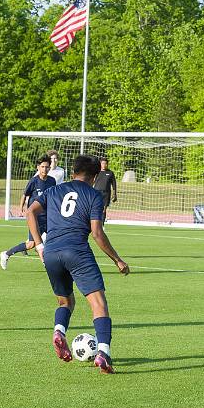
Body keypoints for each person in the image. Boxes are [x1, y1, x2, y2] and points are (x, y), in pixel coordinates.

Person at [26, 155, 129, 374]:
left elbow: (30, 212)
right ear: (94, 177)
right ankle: (103, 353)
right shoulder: (93, 195)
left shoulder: (54, 191)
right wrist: (117, 260)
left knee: (65, 302)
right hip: (77, 251)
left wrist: (38, 245)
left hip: (51, 252)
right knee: (99, 304)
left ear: (73, 173)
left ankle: (59, 331)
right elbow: (97, 233)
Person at [0, 155, 56, 269]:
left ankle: (48, 263)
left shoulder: (52, 181)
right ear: (38, 167)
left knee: (55, 237)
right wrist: (21, 209)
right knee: (31, 244)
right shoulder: (34, 181)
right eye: (42, 167)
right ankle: (6, 254)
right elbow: (25, 195)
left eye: (47, 167)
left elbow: (53, 197)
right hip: (35, 218)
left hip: (48, 216)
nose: (45, 169)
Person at [93, 157, 117, 224]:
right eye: (103, 163)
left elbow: (114, 184)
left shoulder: (110, 173)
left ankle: (102, 225)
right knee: (95, 209)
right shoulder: (96, 172)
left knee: (103, 210)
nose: (104, 165)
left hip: (106, 194)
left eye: (105, 163)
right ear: (100, 164)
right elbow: (92, 181)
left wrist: (115, 194)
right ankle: (93, 224)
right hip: (96, 192)